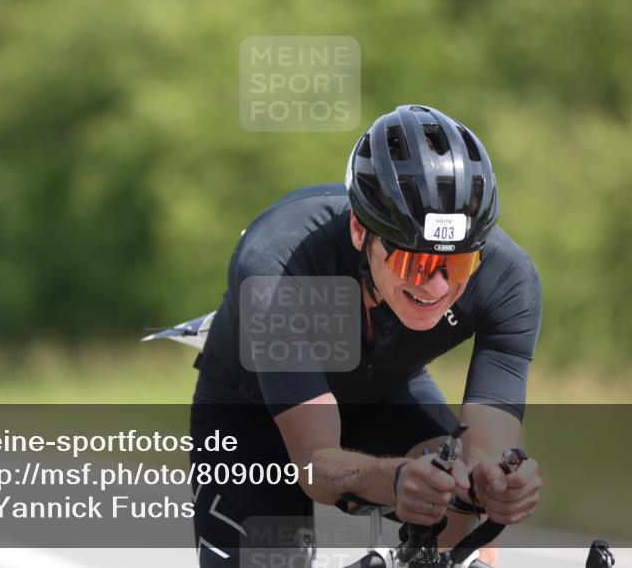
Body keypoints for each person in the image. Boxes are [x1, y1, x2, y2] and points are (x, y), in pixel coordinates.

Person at [190, 104, 542, 567]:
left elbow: (487, 452)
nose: (435, 286)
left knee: (461, 507)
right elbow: (317, 462)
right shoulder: (279, 261)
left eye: (455, 264)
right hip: (250, 407)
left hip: (384, 391)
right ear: (361, 230)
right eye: (412, 263)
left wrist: (496, 486)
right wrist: (397, 479)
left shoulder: (508, 279)